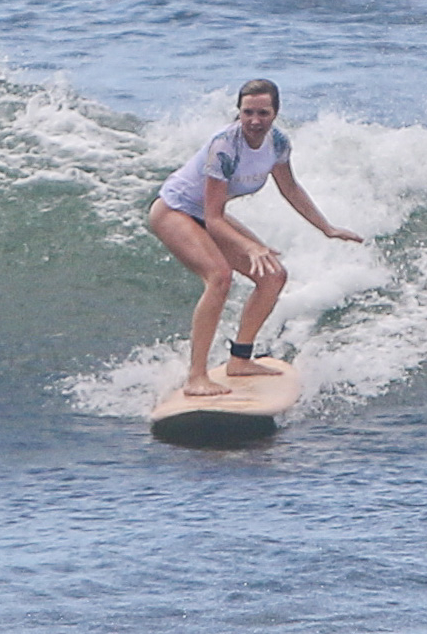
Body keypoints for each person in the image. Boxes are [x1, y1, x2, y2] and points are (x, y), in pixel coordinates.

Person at [149, 79, 363, 396]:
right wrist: (250, 245)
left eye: (263, 112)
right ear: (238, 112)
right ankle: (196, 376)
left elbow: (290, 188)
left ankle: (240, 360)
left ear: (275, 113)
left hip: (205, 213)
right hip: (174, 210)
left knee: (273, 275)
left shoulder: (277, 143)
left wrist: (326, 227)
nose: (254, 121)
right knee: (219, 277)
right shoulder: (224, 146)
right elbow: (213, 218)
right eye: (247, 112)